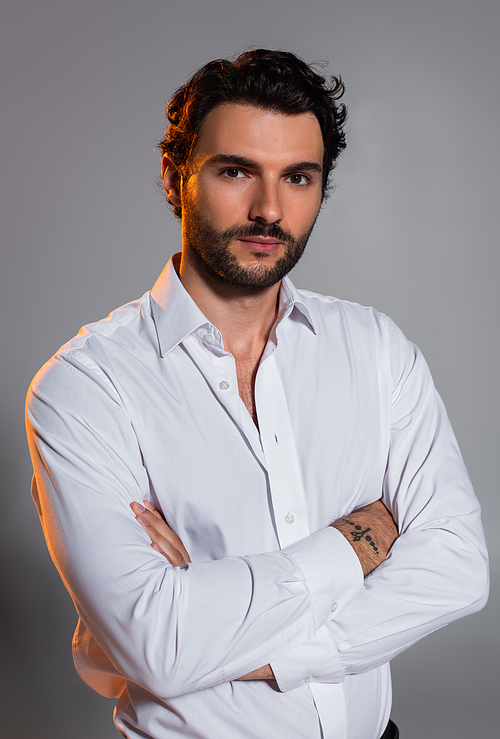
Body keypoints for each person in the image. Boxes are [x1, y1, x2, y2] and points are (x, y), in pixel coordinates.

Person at [26, 49, 488, 739]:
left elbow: (458, 567)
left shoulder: (376, 349)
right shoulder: (85, 385)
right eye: (236, 170)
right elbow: (156, 643)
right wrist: (353, 546)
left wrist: (225, 639)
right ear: (172, 177)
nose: (269, 209)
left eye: (298, 177)